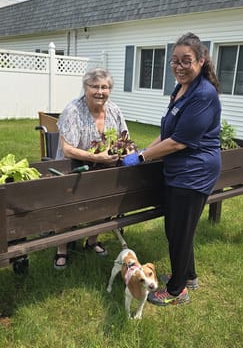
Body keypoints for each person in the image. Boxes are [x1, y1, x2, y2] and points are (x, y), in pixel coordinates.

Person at [123, 32, 221, 306]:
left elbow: (178, 142)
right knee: (180, 229)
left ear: (201, 61)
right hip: (181, 172)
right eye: (174, 61)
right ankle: (188, 276)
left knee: (178, 232)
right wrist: (144, 152)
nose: (179, 66)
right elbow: (168, 133)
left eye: (186, 61)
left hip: (195, 172)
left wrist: (142, 159)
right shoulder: (180, 89)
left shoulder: (203, 94)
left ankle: (177, 291)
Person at [54, 67, 128, 269]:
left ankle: (93, 240)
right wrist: (97, 157)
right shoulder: (73, 110)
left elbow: (124, 139)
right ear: (85, 87)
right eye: (94, 86)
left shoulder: (114, 110)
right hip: (73, 169)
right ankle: (62, 248)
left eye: (104, 87)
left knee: (103, 205)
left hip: (103, 169)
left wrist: (125, 151)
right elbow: (67, 149)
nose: (100, 92)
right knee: (68, 209)